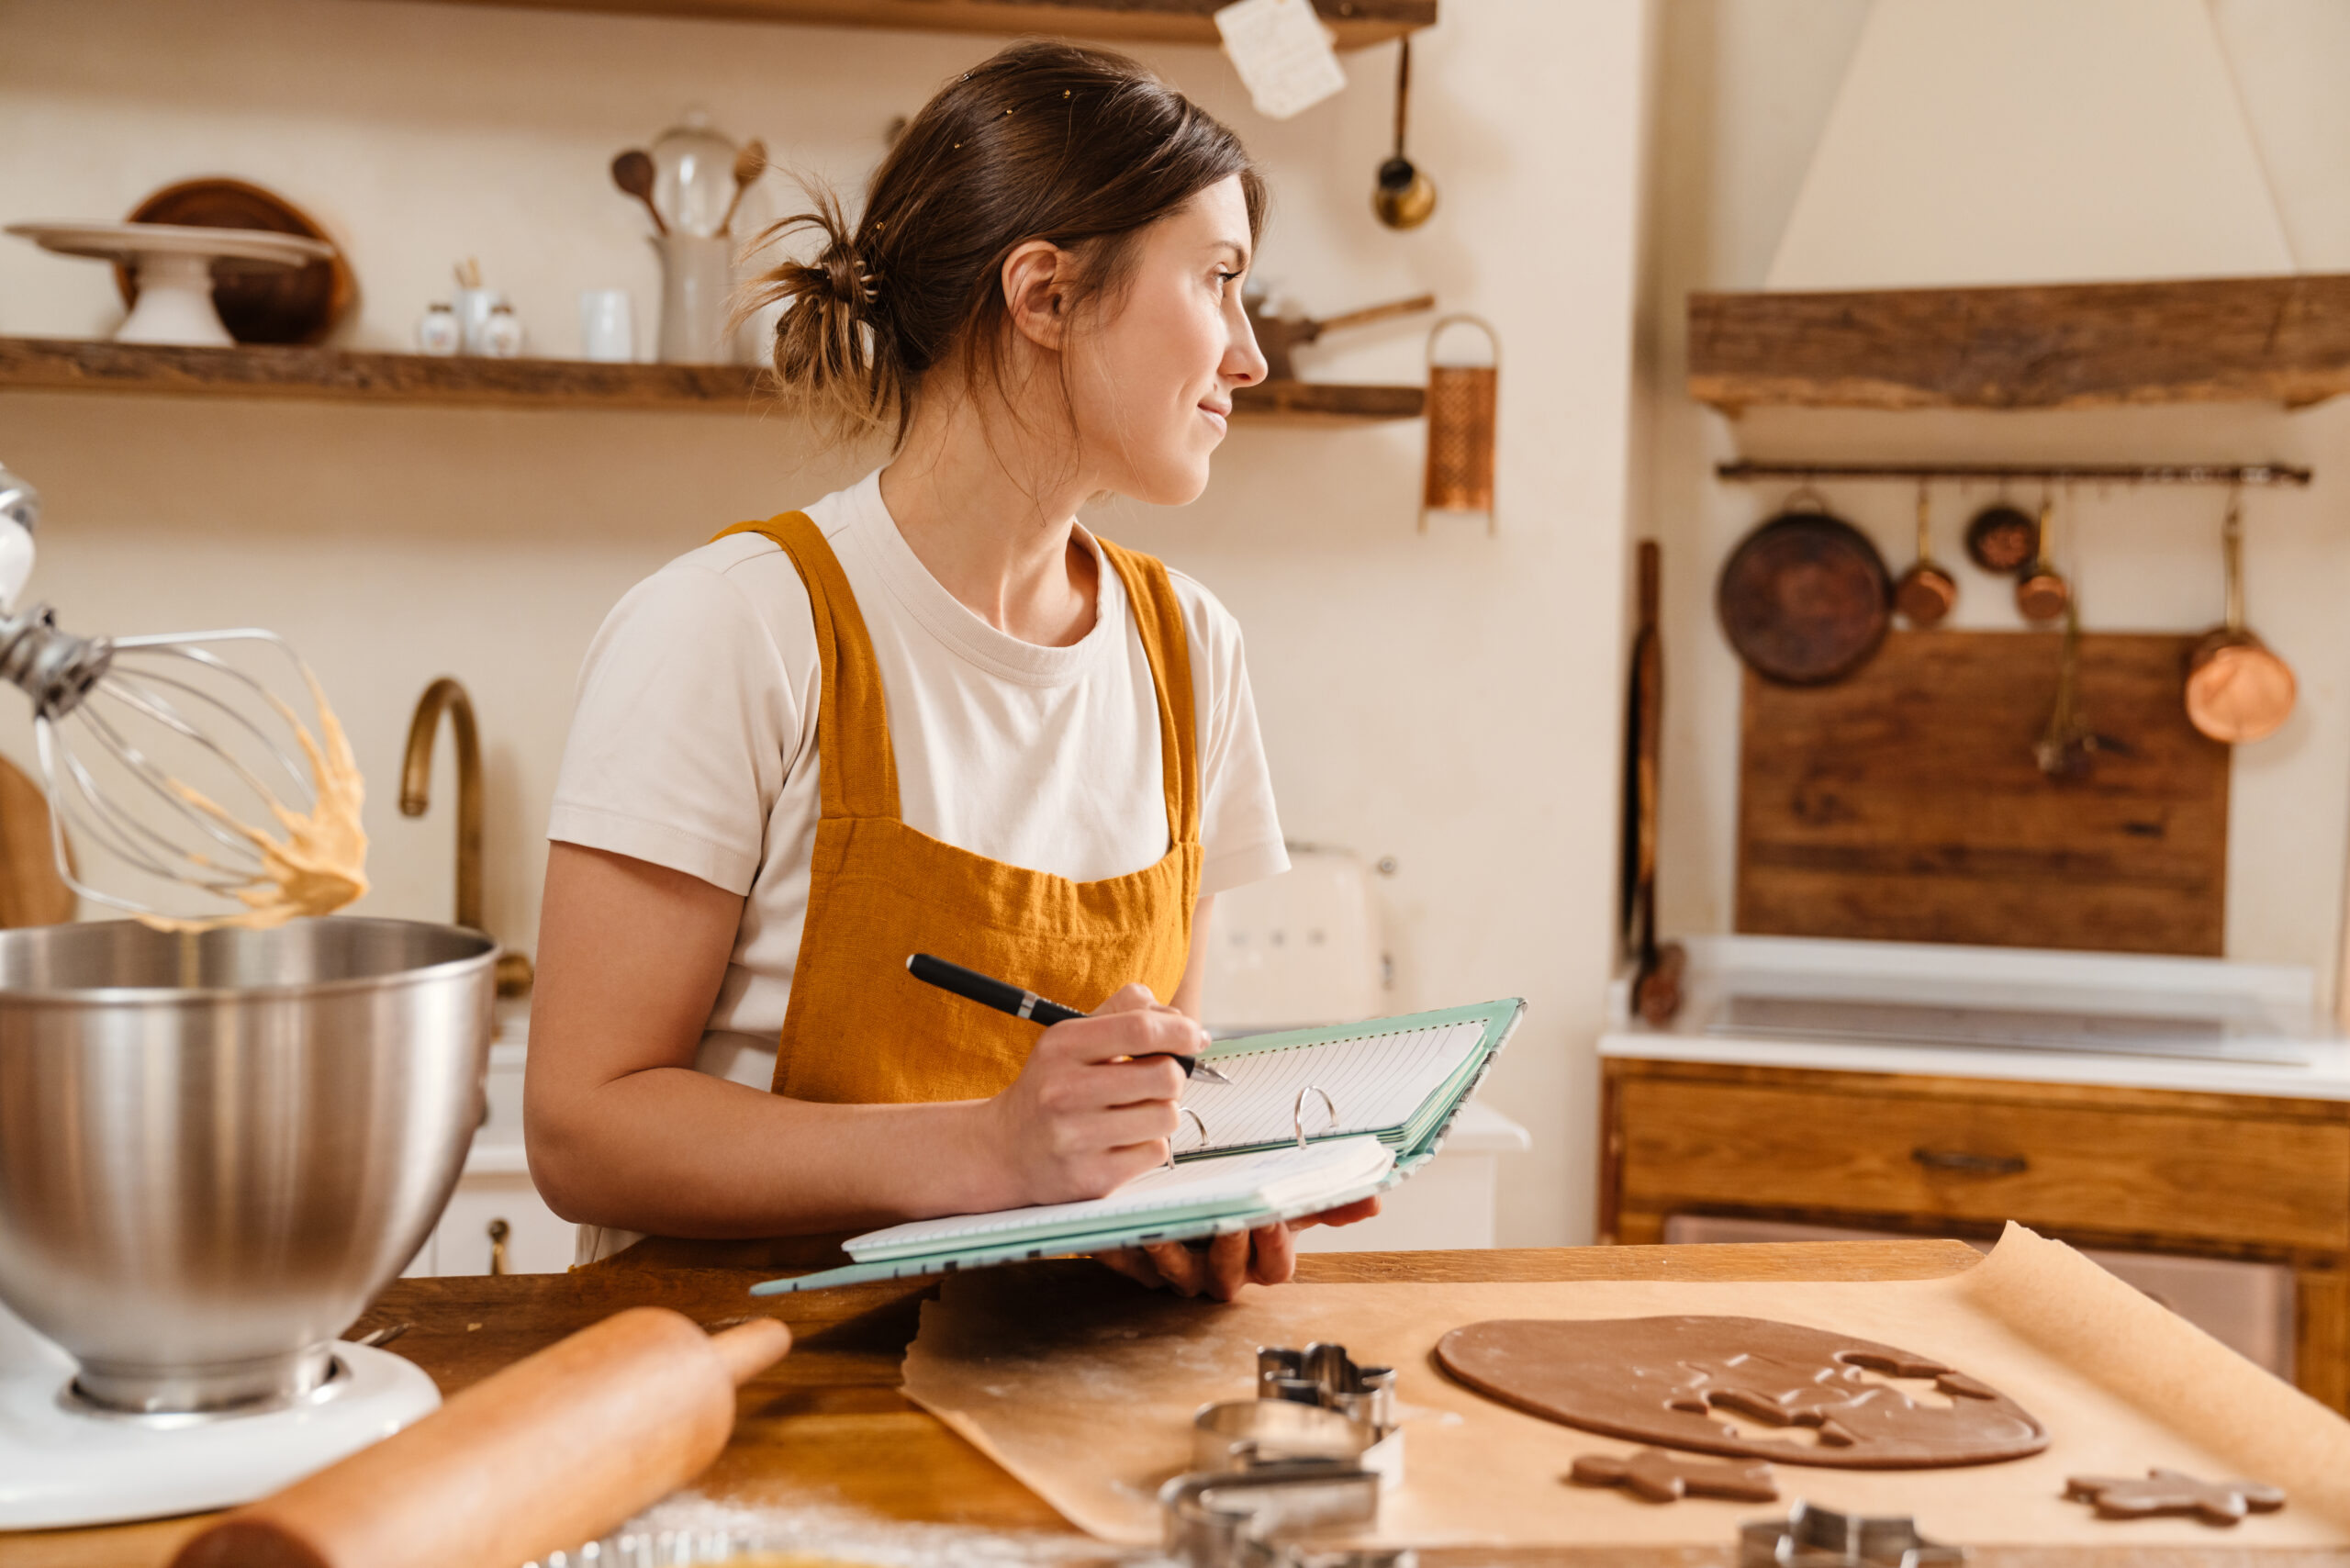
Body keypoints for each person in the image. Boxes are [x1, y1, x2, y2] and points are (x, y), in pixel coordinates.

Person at [524, 39, 1374, 1300]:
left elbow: (1135, 1109)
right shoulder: (737, 627)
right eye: (1218, 281)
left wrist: (1171, 1201)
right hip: (746, 1408)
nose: (1249, 355)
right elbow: (580, 1132)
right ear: (1044, 297)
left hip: (1061, 1393)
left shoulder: (1193, 651)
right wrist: (990, 1149)